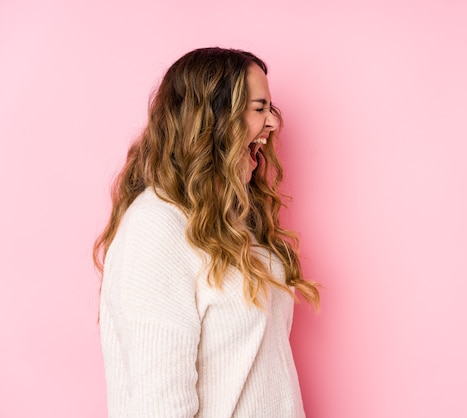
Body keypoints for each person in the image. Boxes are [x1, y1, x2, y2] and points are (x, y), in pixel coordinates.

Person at [93, 47, 320, 418]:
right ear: (214, 119)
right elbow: (158, 405)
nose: (273, 124)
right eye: (259, 108)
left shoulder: (231, 219)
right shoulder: (156, 227)